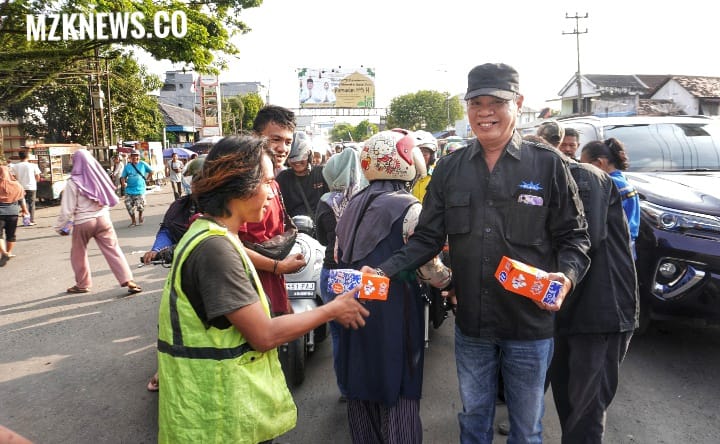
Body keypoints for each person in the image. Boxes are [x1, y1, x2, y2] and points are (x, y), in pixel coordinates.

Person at [367, 63, 591, 443]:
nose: (484, 112)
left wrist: (565, 279)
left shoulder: (547, 165)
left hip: (529, 325)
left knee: (527, 429)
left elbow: (576, 238)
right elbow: (426, 239)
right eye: (476, 103)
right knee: (473, 420)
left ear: (518, 103)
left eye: (496, 102)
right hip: (472, 324)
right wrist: (382, 271)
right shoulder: (450, 168)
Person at [156, 134, 369, 443]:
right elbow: (264, 335)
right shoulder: (215, 249)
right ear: (239, 184)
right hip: (217, 420)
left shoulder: (214, 234)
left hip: (219, 412)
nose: (272, 193)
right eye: (267, 182)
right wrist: (332, 309)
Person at [335, 129, 452, 443]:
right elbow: (428, 268)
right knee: (398, 383)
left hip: (352, 303)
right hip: (394, 307)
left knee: (361, 380)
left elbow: (338, 252)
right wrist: (449, 281)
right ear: (406, 160)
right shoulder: (410, 207)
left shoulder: (351, 203)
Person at [549, 138, 639, 444]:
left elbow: (586, 237)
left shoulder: (585, 178)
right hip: (569, 309)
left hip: (602, 311)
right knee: (567, 401)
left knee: (586, 413)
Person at [315, 148, 368, 400]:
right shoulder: (367, 199)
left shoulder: (326, 202)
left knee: (338, 336)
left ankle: (346, 389)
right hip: (361, 274)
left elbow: (320, 237)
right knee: (363, 334)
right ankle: (366, 384)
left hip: (333, 273)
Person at [55, 149, 142, 295]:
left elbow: (67, 209)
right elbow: (108, 197)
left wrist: (60, 226)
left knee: (78, 253)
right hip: (103, 219)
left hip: (83, 222)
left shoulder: (73, 182)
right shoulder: (99, 176)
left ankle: (83, 284)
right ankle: (128, 280)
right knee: (113, 249)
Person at [580, 138, 641, 258]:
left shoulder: (609, 185)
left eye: (584, 166)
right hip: (627, 246)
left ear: (599, 163)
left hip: (613, 250)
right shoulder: (622, 180)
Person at [276, 132, 329, 218]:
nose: (297, 162)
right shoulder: (283, 178)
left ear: (309, 155)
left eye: (301, 157)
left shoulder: (322, 173)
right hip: (294, 224)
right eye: (292, 159)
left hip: (321, 223)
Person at [0, 165, 29, 266]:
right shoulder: (17, 185)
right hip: (13, 214)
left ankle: (4, 252)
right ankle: (8, 252)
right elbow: (21, 199)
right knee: (11, 235)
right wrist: (25, 210)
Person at [120, 150, 153, 227]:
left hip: (140, 189)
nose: (135, 157)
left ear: (139, 157)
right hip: (129, 190)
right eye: (133, 156)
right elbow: (123, 177)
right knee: (128, 205)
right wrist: (123, 183)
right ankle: (133, 221)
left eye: (137, 156)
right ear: (130, 157)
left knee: (140, 206)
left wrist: (148, 179)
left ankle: (140, 216)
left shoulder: (142, 164)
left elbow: (151, 171)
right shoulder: (127, 166)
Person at [9, 150, 41, 225]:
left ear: (19, 157)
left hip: (20, 187)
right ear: (28, 156)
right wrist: (35, 181)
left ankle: (26, 220)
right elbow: (38, 177)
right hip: (31, 187)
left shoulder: (15, 166)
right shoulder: (33, 165)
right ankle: (31, 220)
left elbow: (13, 177)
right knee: (31, 204)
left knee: (23, 204)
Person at [410, 130, 439, 203]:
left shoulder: (438, 175)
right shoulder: (404, 176)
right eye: (417, 153)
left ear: (432, 156)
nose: (420, 157)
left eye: (425, 152)